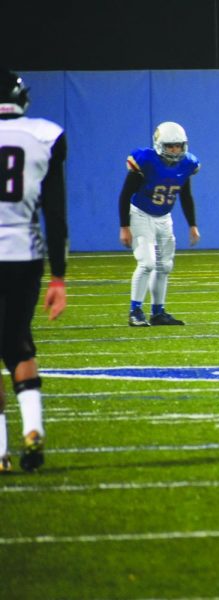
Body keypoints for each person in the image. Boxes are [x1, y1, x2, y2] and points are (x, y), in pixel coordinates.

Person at [0, 69, 68, 473]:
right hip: (24, 253)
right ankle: (33, 429)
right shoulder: (45, 134)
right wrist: (59, 277)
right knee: (18, 340)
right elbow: (55, 214)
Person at [119, 121, 201, 326]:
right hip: (140, 215)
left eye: (179, 145)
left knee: (164, 266)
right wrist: (124, 226)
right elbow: (125, 195)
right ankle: (135, 311)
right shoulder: (146, 161)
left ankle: (158, 312)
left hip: (164, 218)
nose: (175, 150)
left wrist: (192, 224)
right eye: (170, 146)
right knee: (147, 263)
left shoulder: (187, 164)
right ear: (159, 145)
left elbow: (186, 195)